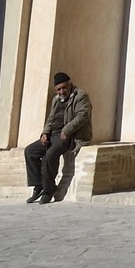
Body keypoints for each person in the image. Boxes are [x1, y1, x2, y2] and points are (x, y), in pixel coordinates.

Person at [25, 72, 93, 205]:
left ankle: (48, 190)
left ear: (70, 84)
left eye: (64, 88)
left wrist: (67, 130)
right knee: (30, 151)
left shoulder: (81, 96)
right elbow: (51, 118)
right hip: (53, 134)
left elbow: (82, 116)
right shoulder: (56, 99)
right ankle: (39, 185)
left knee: (50, 155)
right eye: (59, 89)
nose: (62, 91)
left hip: (70, 135)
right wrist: (45, 133)